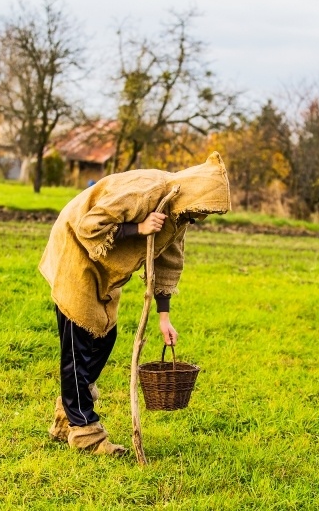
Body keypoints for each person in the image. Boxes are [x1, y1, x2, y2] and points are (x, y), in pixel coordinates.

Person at [39, 152, 231, 455]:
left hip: (104, 267)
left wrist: (164, 318)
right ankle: (86, 433)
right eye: (201, 210)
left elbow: (168, 262)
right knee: (78, 347)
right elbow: (89, 226)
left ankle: (67, 417)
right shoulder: (146, 190)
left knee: (104, 338)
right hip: (75, 250)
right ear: (194, 193)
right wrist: (138, 229)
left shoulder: (179, 213)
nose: (200, 218)